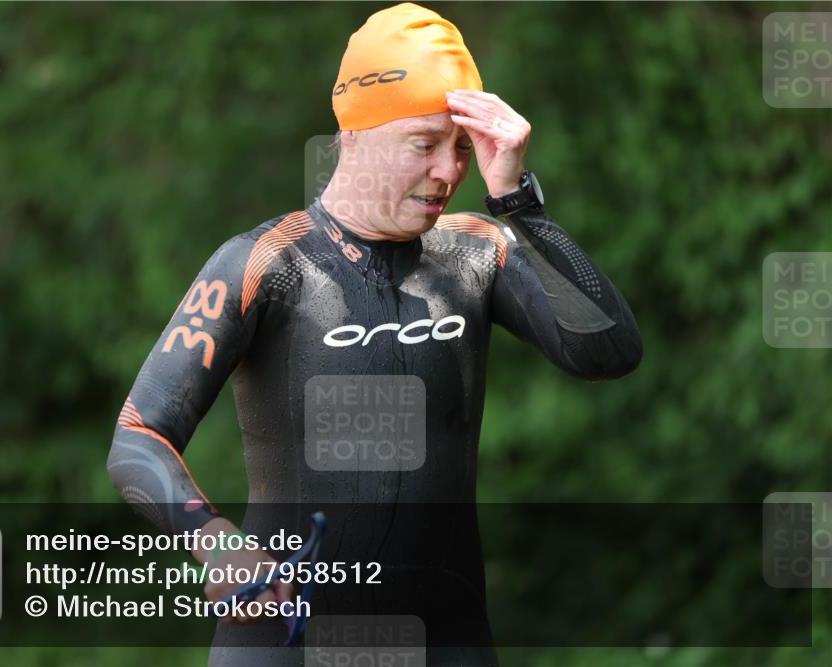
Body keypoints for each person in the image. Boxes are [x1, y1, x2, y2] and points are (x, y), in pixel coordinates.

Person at [107, 3, 642, 665]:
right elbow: (138, 435)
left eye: (462, 147)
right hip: (285, 639)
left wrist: (520, 204)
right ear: (354, 136)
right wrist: (213, 538)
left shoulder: (479, 252)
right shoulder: (269, 262)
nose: (449, 170)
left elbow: (611, 349)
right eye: (425, 143)